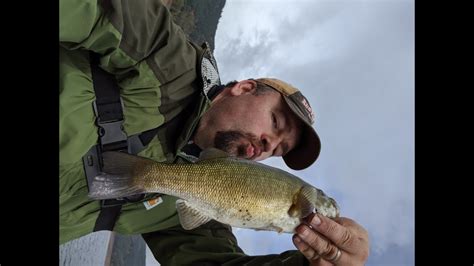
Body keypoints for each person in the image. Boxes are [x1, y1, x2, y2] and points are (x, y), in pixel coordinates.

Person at [59, 0, 369, 265]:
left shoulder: (203, 208)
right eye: (275, 122)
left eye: (277, 150)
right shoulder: (162, 54)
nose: (268, 144)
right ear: (244, 88)